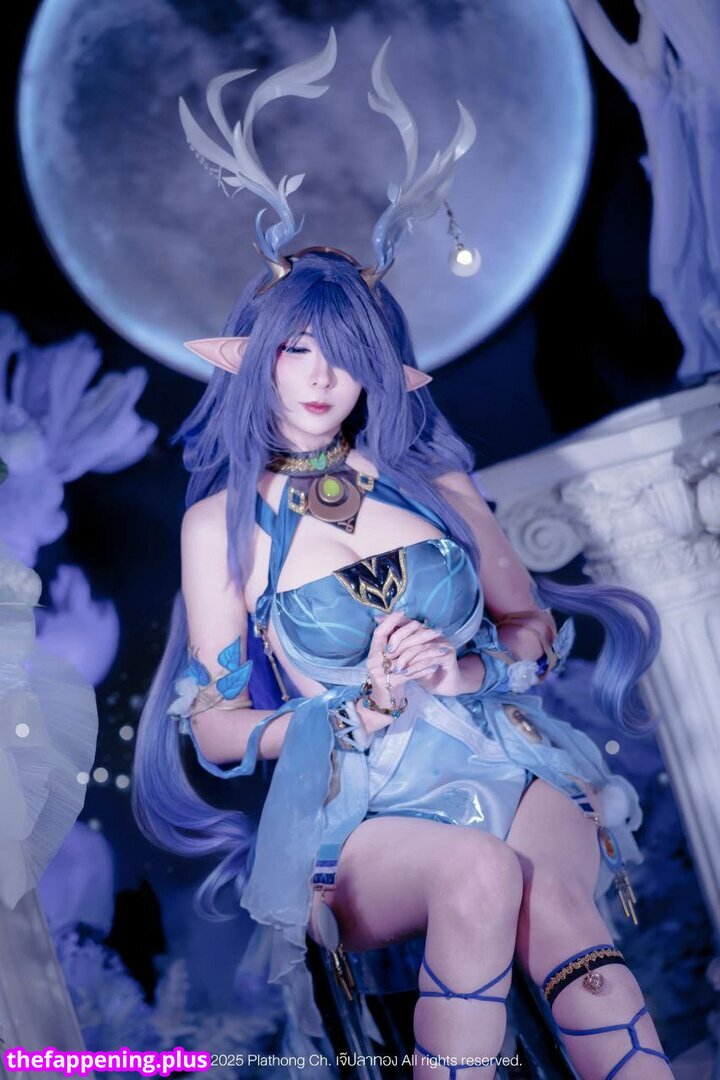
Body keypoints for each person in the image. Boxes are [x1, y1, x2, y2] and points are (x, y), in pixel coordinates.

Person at [132, 34, 672, 1080]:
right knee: (477, 873)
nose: (319, 379)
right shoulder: (224, 527)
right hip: (352, 805)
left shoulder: (437, 484)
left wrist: (469, 670)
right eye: (297, 350)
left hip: (506, 755)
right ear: (257, 357)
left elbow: (529, 629)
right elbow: (215, 726)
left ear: (380, 368)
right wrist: (356, 709)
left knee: (575, 936)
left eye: (345, 356)